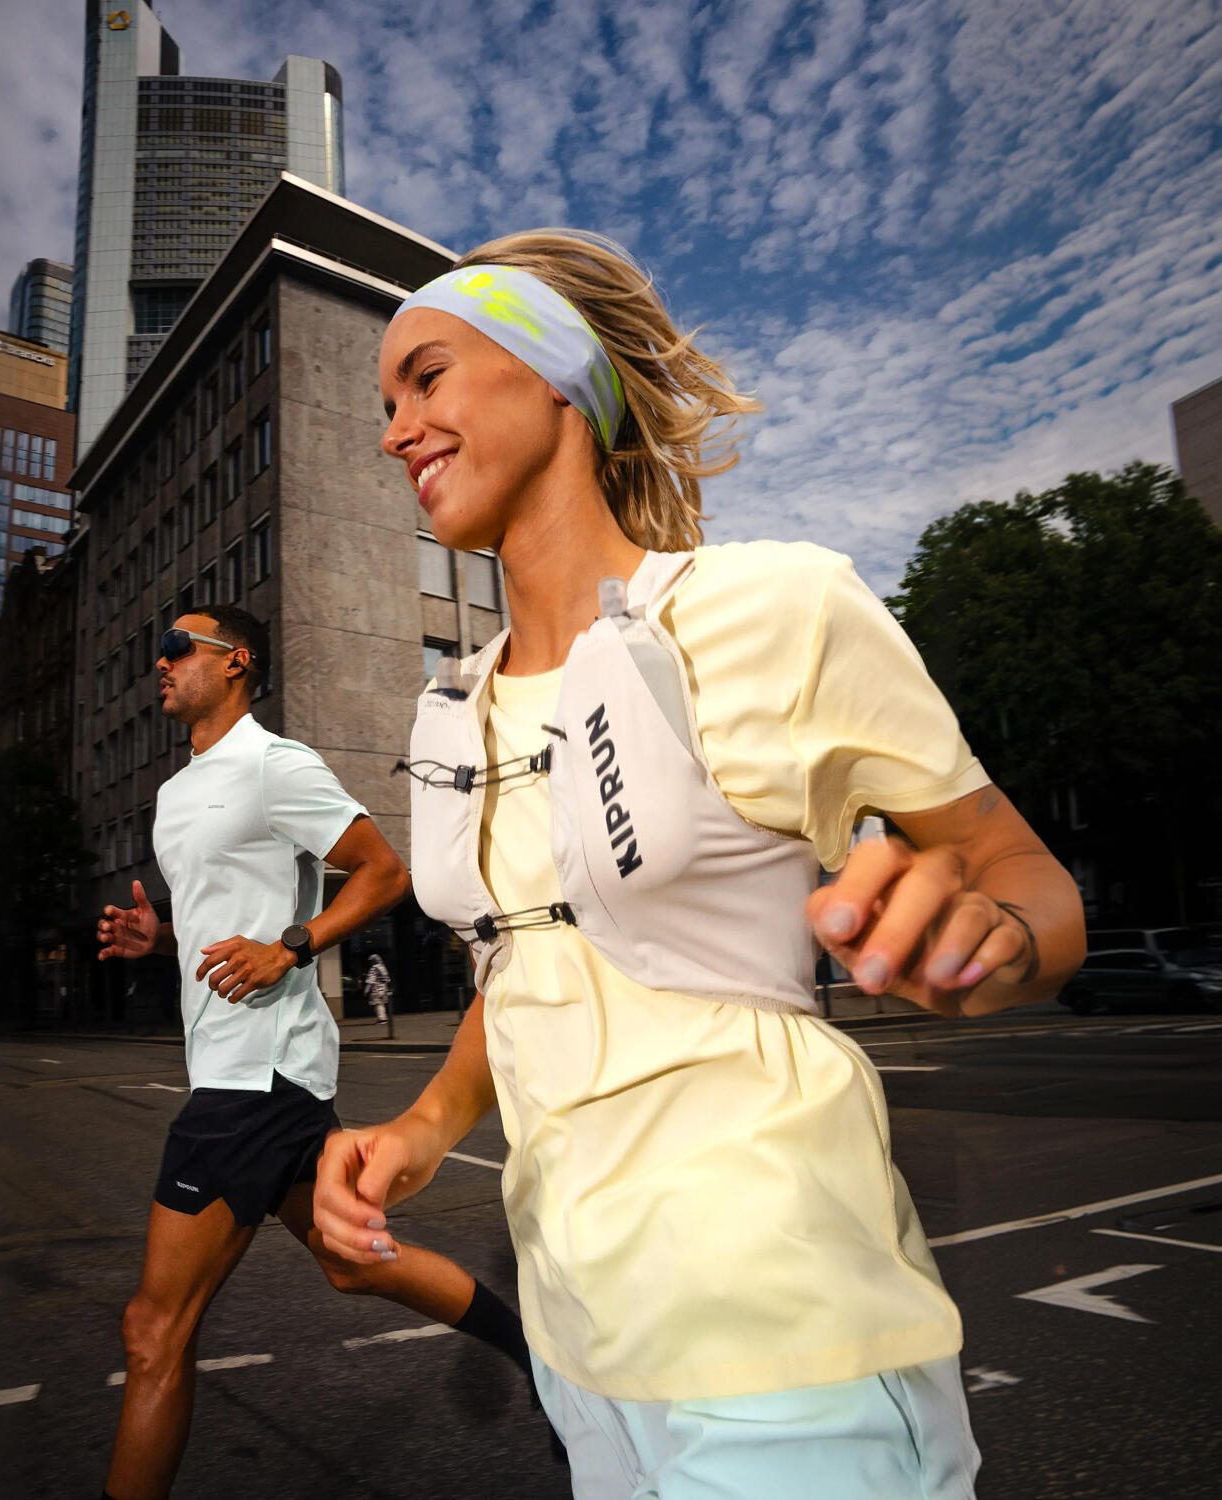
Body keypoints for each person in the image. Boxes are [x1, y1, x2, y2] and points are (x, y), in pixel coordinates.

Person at [314, 239, 1087, 1499]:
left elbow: (1025, 877)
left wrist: (989, 940)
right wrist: (420, 1126)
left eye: (427, 377)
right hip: (582, 1346)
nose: (396, 429)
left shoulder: (779, 608)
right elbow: (531, 960)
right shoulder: (453, 710)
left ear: (554, 374)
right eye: (385, 402)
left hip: (786, 1329)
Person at [94, 604, 529, 1500]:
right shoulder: (177, 794)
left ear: (236, 662)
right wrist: (160, 936)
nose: (160, 665)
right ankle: (544, 1358)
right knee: (349, 1261)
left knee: (153, 1331)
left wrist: (292, 946)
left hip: (254, 1075)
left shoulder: (275, 764)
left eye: (177, 648)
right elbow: (223, 916)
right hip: (250, 1070)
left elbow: (384, 871)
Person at [363, 952, 392, 1024]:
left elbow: (370, 980)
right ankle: (383, 1018)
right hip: (384, 988)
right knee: (381, 1004)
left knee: (378, 1004)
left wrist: (366, 990)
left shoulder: (374, 968)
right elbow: (387, 979)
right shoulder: (383, 967)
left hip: (377, 989)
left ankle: (382, 1019)